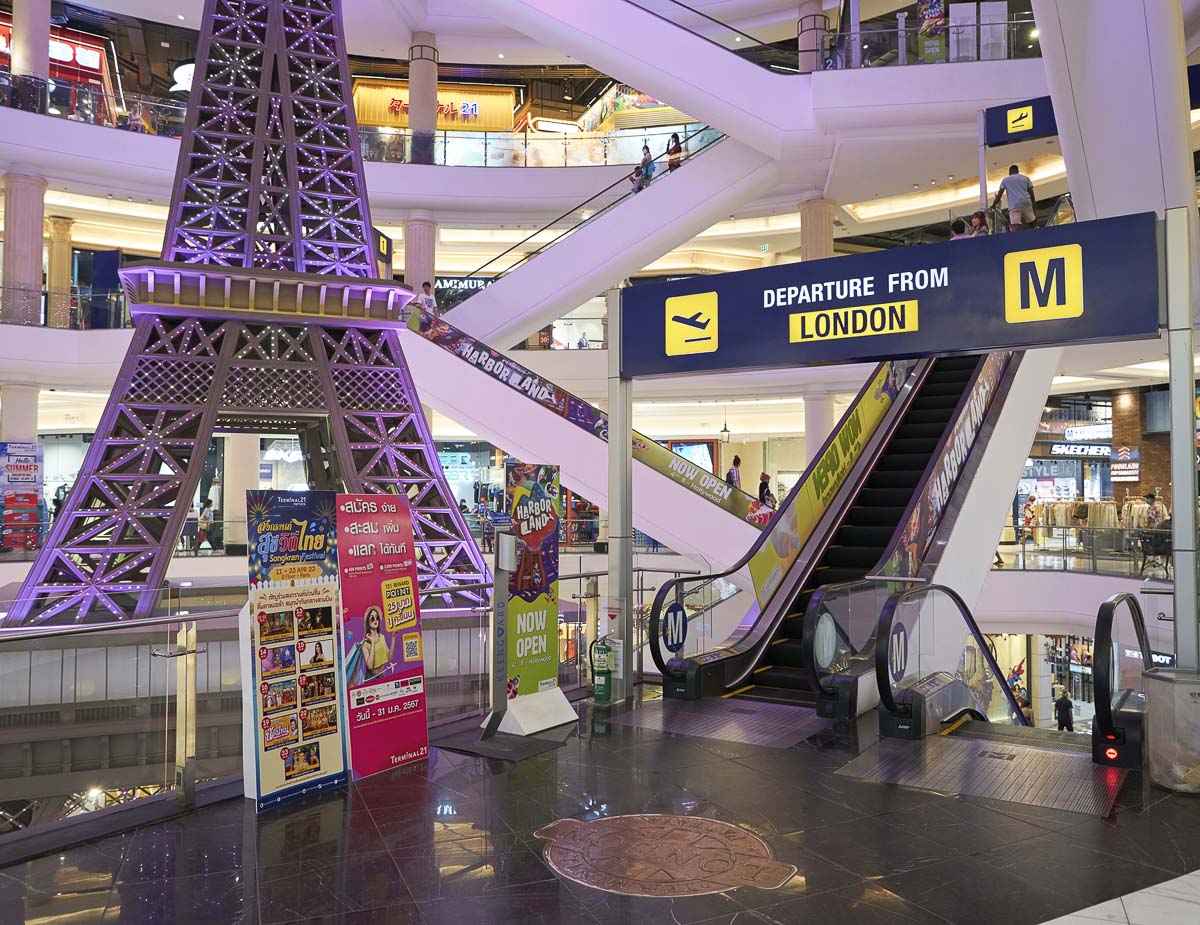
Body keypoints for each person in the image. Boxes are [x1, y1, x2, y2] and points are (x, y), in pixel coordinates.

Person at [991, 164, 1036, 230]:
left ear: (1009, 172)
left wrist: (993, 205)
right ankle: (1033, 234)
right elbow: (1032, 195)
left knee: (1015, 225)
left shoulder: (1005, 180)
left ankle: (1018, 238)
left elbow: (999, 196)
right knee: (1032, 222)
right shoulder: (1026, 178)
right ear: (1018, 171)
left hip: (1014, 205)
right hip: (1026, 203)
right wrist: (1034, 211)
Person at [360, 606, 395, 680]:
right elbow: (370, 666)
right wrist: (372, 642)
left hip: (383, 675)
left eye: (377, 617)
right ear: (367, 622)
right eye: (372, 618)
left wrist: (393, 638)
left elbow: (389, 658)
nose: (375, 620)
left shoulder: (382, 637)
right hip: (372, 678)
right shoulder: (365, 644)